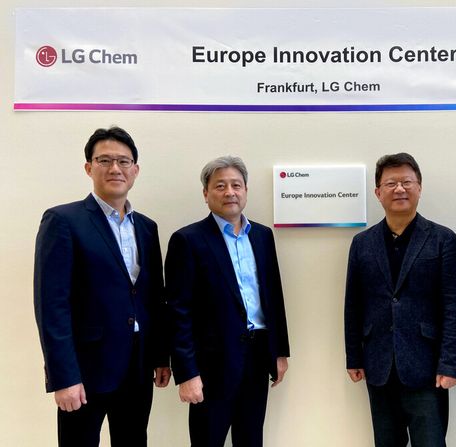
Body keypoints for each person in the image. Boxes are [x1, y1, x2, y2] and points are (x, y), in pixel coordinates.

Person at [33, 126, 171, 447]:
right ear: (88, 168)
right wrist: (64, 377)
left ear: (135, 170)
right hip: (85, 370)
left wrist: (160, 356)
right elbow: (51, 305)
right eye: (104, 160)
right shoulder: (63, 221)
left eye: (123, 161)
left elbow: (153, 298)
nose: (114, 168)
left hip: (137, 367)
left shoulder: (146, 227)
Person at [165, 155, 290, 447]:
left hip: (257, 356)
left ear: (246, 190)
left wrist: (279, 351)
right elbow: (178, 312)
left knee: (251, 439)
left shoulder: (262, 236)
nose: (229, 192)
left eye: (236, 185)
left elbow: (273, 296)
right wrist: (187, 373)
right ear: (206, 193)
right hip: (211, 365)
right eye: (220, 186)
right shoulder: (187, 240)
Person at [344, 152, 456, 447]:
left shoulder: (443, 239)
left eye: (407, 182)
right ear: (378, 192)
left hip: (428, 367)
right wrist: (353, 356)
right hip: (379, 365)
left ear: (419, 188)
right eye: (391, 183)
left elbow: (454, 306)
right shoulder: (362, 243)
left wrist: (450, 363)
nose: (399, 189)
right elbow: (353, 305)